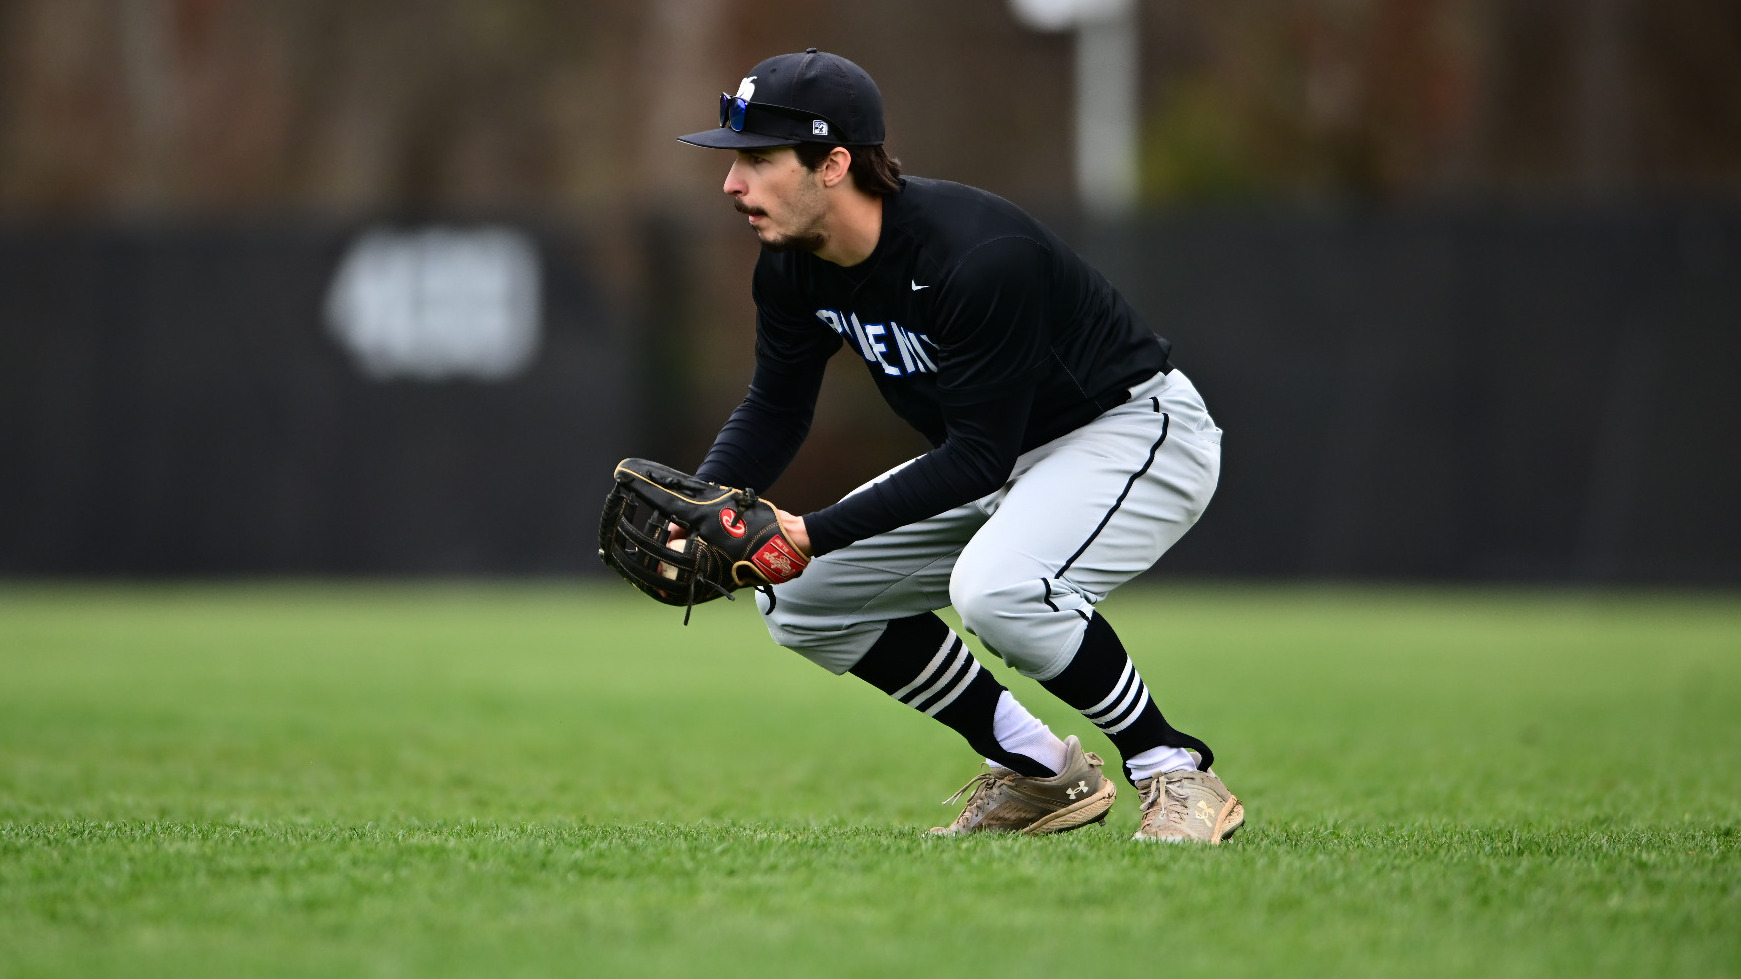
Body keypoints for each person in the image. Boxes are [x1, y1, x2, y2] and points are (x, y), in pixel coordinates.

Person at [677, 49, 1242, 842]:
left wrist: (808, 529)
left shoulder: (974, 255)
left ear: (834, 163)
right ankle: (1041, 770)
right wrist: (704, 501)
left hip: (1131, 431)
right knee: (804, 595)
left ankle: (1171, 767)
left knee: (999, 587)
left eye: (758, 161)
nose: (733, 185)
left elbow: (973, 456)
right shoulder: (793, 268)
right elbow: (775, 406)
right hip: (1006, 453)